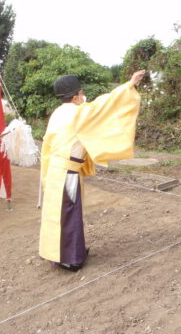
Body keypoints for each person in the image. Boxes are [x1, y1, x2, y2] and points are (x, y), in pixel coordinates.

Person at [40, 70, 146, 271]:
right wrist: (128, 85)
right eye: (81, 93)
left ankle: (60, 254)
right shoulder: (77, 112)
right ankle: (70, 259)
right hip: (67, 172)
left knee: (57, 214)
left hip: (55, 169)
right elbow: (104, 106)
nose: (83, 96)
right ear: (75, 96)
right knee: (69, 212)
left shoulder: (58, 112)